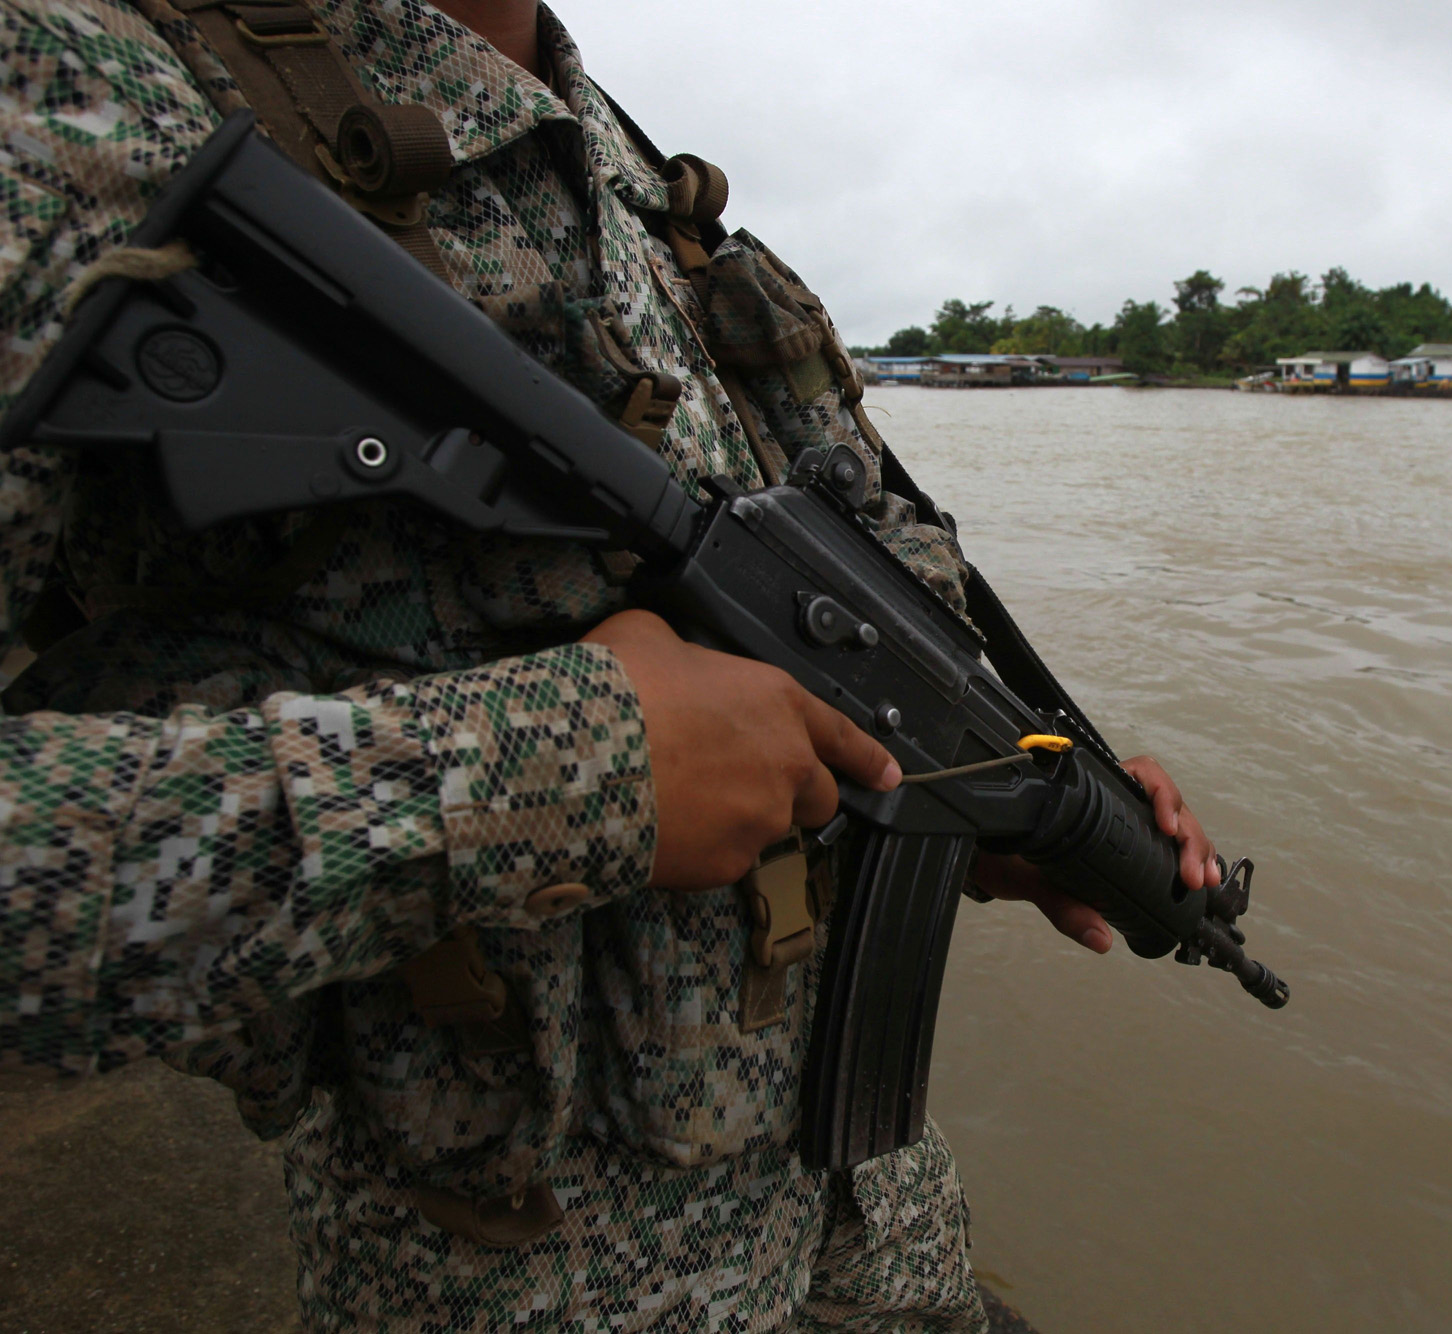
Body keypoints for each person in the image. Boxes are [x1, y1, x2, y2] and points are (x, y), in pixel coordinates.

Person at [0, 0, 1219, 1328]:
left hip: (866, 1216)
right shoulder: (75, 94)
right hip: (524, 1269)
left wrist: (971, 793)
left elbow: (816, 600)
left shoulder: (641, 180)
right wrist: (554, 768)